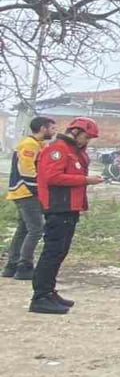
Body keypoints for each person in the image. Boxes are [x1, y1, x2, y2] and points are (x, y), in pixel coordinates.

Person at [30, 117, 103, 315]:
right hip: (58, 207)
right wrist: (85, 180)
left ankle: (49, 291)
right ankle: (40, 297)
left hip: (69, 207)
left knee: (60, 251)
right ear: (76, 132)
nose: (87, 141)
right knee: (52, 252)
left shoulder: (74, 151)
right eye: (86, 137)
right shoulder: (58, 149)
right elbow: (52, 177)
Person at [3, 116, 57, 280]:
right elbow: (27, 172)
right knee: (36, 229)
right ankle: (24, 266)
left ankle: (12, 265)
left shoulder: (38, 144)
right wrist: (39, 191)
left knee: (24, 229)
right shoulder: (29, 145)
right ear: (43, 128)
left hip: (25, 192)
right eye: (52, 128)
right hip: (26, 192)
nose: (54, 132)